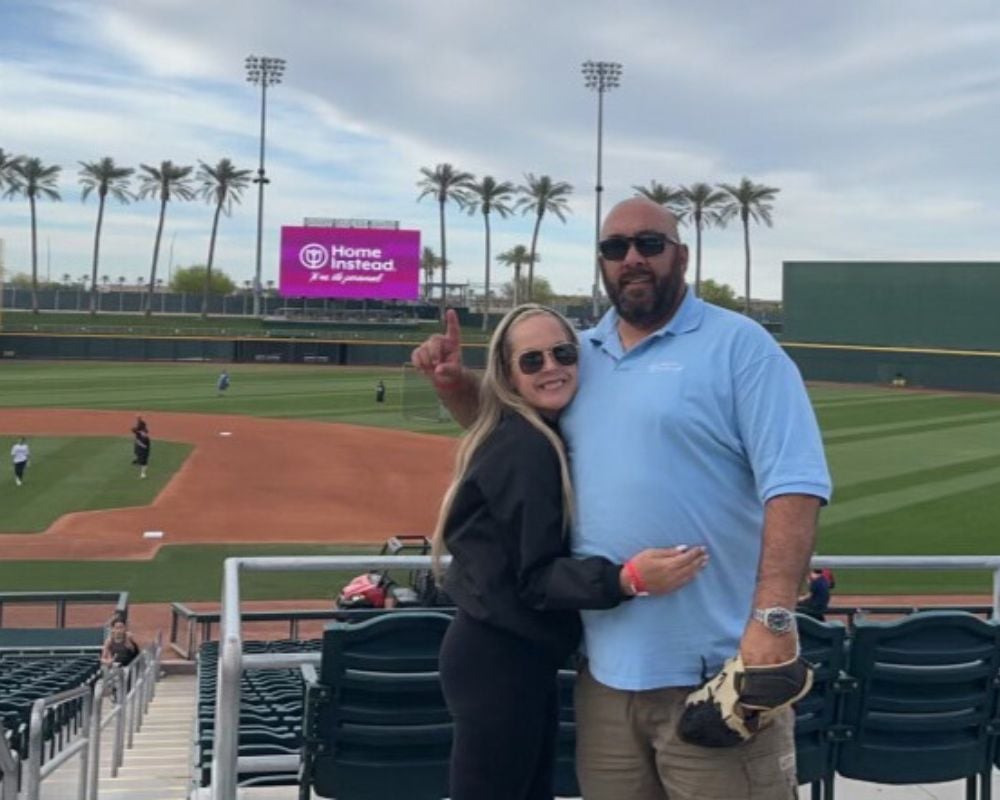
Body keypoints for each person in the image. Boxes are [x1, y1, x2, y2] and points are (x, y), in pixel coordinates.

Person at [412, 197, 832, 800]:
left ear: (680, 255)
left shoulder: (742, 347)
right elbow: (512, 427)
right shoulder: (583, 354)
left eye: (649, 244)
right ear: (603, 263)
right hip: (604, 680)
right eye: (615, 248)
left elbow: (795, 483)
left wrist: (773, 618)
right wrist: (456, 387)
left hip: (712, 671)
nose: (632, 258)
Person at [435, 303, 708, 800]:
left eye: (563, 353)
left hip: (512, 655)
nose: (552, 367)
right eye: (532, 361)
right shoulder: (528, 448)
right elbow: (534, 578)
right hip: (499, 659)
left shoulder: (536, 432)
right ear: (509, 375)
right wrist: (628, 579)